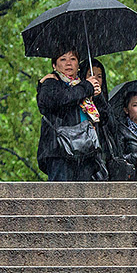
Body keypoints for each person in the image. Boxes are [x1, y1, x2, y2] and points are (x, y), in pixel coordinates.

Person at [36, 47, 106, 181]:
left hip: (85, 150)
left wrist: (98, 96)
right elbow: (61, 100)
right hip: (59, 150)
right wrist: (86, 87)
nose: (68, 63)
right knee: (61, 195)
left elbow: (105, 118)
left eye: (73, 59)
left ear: (78, 65)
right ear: (54, 65)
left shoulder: (85, 85)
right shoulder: (50, 82)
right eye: (63, 59)